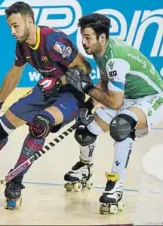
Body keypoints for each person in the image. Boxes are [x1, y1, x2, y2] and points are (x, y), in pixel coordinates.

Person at [0, 1, 92, 209]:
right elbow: (15, 73)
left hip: (70, 94)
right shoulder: (22, 44)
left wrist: (59, 81)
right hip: (45, 90)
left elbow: (85, 68)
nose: (12, 32)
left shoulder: (53, 40)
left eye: (16, 26)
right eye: (10, 27)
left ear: (29, 21)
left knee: (39, 125)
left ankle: (16, 179)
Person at [64, 13, 163, 214]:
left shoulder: (115, 58)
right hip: (127, 97)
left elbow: (115, 103)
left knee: (121, 126)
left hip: (152, 98)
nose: (83, 42)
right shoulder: (102, 51)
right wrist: (87, 105)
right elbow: (105, 83)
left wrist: (87, 89)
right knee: (85, 132)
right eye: (82, 36)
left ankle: (116, 184)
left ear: (102, 37)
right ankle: (85, 167)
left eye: (87, 37)